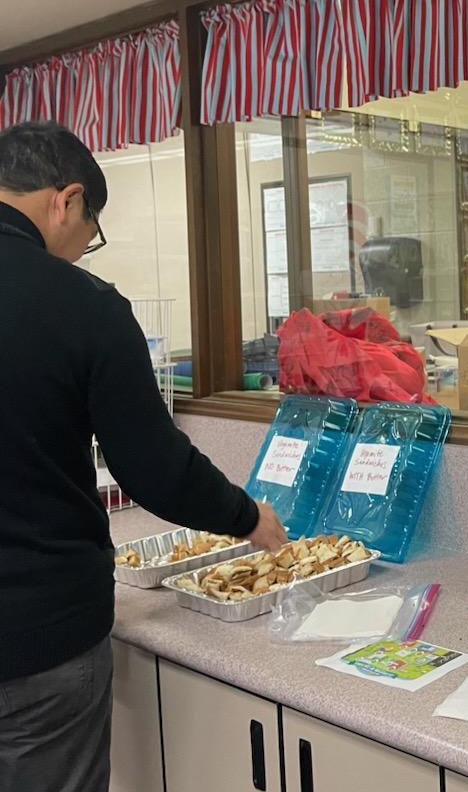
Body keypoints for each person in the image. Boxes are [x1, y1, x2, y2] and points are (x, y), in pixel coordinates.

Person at [0, 122, 287, 792]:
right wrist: (247, 517)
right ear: (66, 200)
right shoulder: (82, 305)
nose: (82, 251)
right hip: (38, 638)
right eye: (89, 233)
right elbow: (153, 466)